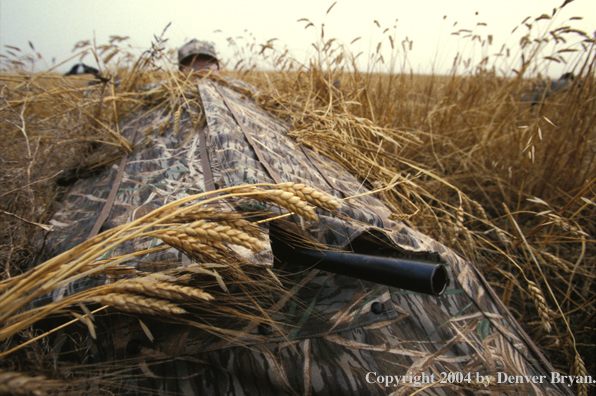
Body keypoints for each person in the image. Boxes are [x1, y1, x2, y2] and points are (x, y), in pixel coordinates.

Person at [30, 40, 571, 396]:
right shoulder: (158, 101)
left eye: (204, 61)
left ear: (215, 64)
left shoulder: (246, 97)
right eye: (194, 63)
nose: (200, 69)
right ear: (186, 67)